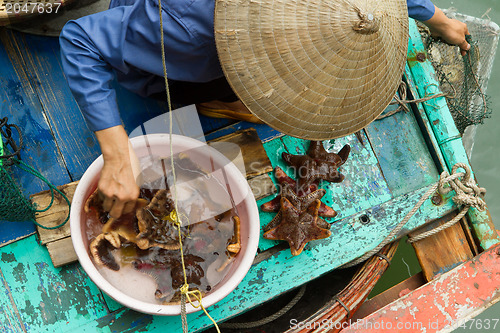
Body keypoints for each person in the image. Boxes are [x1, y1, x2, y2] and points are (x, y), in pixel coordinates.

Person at [59, 0, 470, 218]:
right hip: (173, 28)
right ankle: (216, 98)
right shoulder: (189, 25)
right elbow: (79, 40)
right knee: (154, 80)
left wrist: (436, 18)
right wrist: (118, 156)